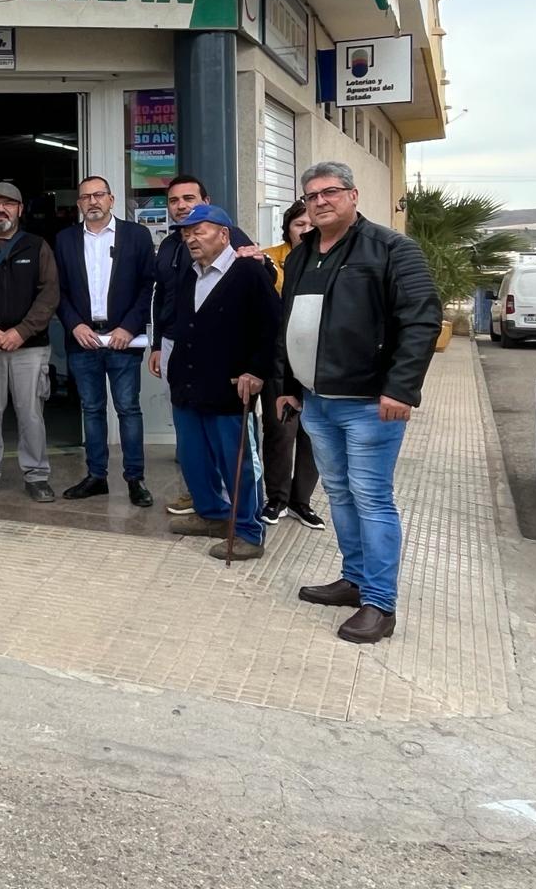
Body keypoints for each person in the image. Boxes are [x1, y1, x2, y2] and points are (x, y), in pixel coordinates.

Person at [274, 161, 440, 644]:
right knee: (340, 495)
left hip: (369, 403)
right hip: (317, 401)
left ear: (353, 195)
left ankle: (380, 605)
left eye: (330, 192)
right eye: (311, 196)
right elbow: (292, 325)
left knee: (371, 499)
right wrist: (288, 384)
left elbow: (422, 319)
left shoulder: (391, 249)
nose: (320, 201)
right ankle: (355, 581)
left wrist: (401, 388)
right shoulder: (303, 254)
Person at [163, 204, 282, 561]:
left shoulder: (249, 271)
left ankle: (248, 530)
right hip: (188, 384)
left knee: (238, 463)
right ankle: (212, 514)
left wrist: (257, 371)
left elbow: (272, 327)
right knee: (194, 458)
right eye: (186, 234)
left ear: (224, 234)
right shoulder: (190, 273)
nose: (191, 239)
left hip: (231, 387)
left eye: (198, 231)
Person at [145, 175, 266, 518]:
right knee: (191, 437)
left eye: (189, 198)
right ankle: (205, 502)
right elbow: (162, 297)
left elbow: (264, 303)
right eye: (174, 201)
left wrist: (255, 367)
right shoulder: (173, 247)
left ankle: (245, 518)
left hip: (222, 361)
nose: (181, 206)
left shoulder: (234, 244)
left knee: (230, 442)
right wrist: (158, 343)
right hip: (178, 352)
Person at [53, 174, 156, 507]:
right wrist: (74, 325)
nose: (92, 201)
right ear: (79, 204)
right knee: (92, 409)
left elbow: (148, 285)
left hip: (123, 339)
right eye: (86, 197)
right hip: (83, 340)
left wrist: (129, 326)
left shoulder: (136, 235)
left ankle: (135, 479)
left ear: (111, 199)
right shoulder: (65, 240)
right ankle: (96, 476)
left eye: (99, 195)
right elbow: (58, 290)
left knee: (128, 409)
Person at [0, 181, 61, 502]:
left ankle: (37, 475)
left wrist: (21, 331)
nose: (0, 210)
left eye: (8, 204)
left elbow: (49, 295)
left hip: (29, 347)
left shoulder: (37, 246)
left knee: (31, 414)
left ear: (19, 210)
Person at [259, 200, 323, 529]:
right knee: (280, 431)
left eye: (312, 225)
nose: (306, 230)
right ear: (288, 229)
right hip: (280, 360)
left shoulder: (330, 259)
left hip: (320, 362)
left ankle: (302, 501)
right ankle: (277, 498)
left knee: (313, 433)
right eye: (300, 225)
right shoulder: (268, 259)